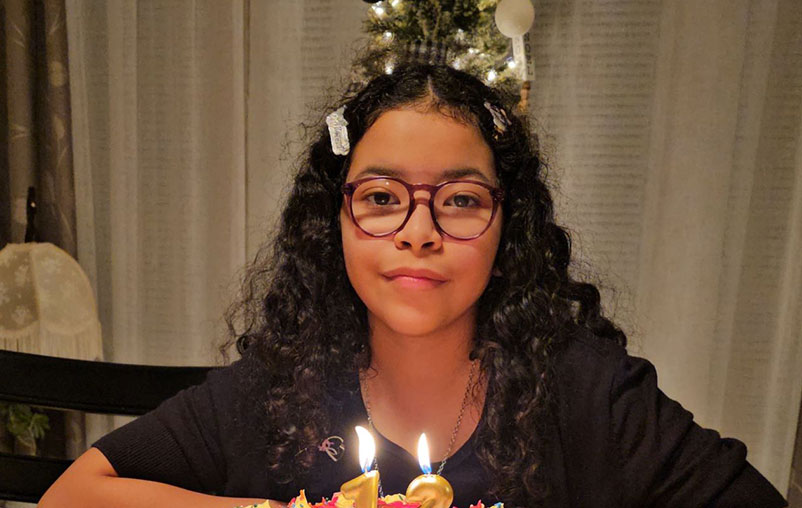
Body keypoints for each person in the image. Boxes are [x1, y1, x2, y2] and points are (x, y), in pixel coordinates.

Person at [39, 64, 788, 508]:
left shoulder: (588, 396)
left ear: (508, 226)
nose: (418, 230)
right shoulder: (279, 391)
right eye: (381, 197)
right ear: (333, 223)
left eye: (460, 199)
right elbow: (71, 496)